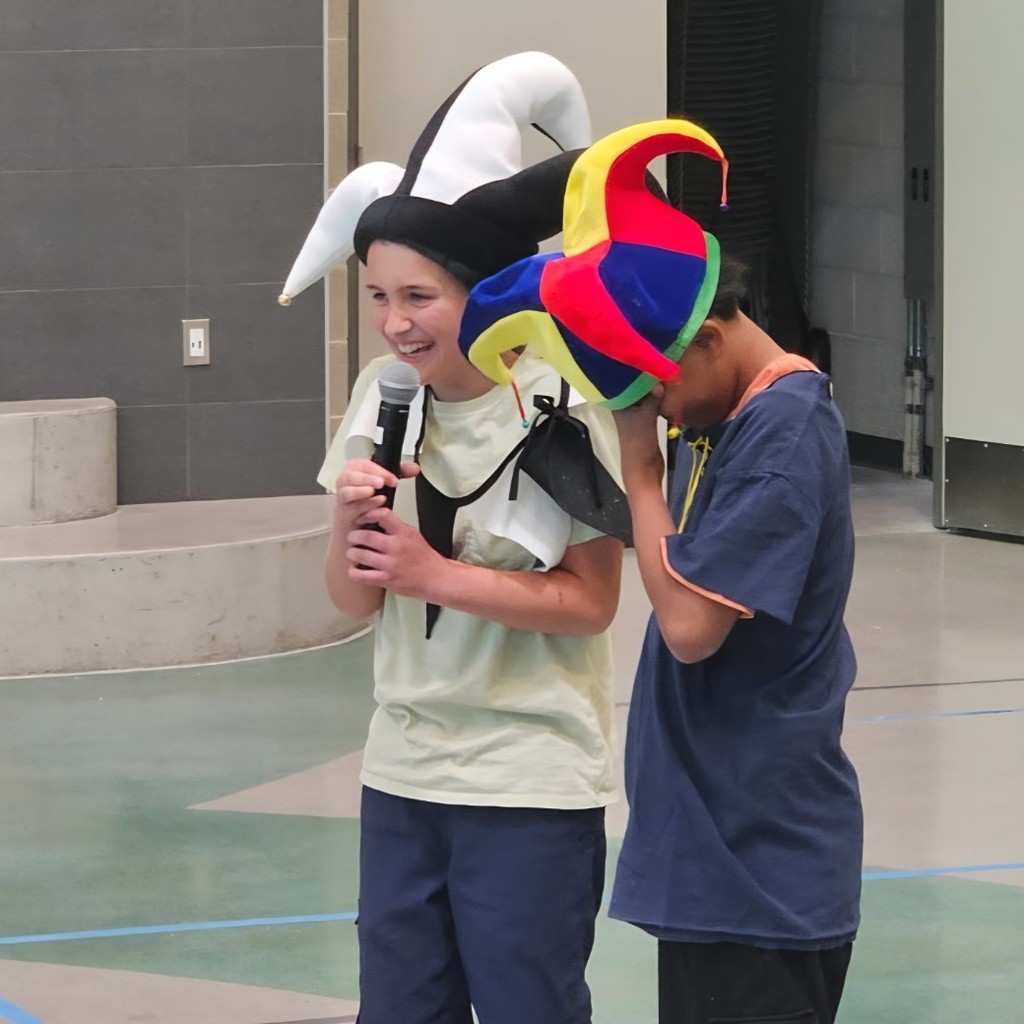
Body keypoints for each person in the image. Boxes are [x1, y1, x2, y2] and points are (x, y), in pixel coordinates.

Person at [461, 119, 863, 1024]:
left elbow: (688, 629)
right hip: (712, 853)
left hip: (762, 866)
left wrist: (639, 464)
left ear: (713, 336)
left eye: (657, 386)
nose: (657, 409)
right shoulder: (721, 422)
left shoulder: (783, 429)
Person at [280, 54, 628, 1024]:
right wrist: (354, 528)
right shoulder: (380, 399)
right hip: (402, 768)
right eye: (379, 297)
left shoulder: (563, 406)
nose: (393, 324)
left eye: (418, 297)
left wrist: (435, 571)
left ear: (491, 291)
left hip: (526, 776)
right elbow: (354, 599)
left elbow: (591, 601)